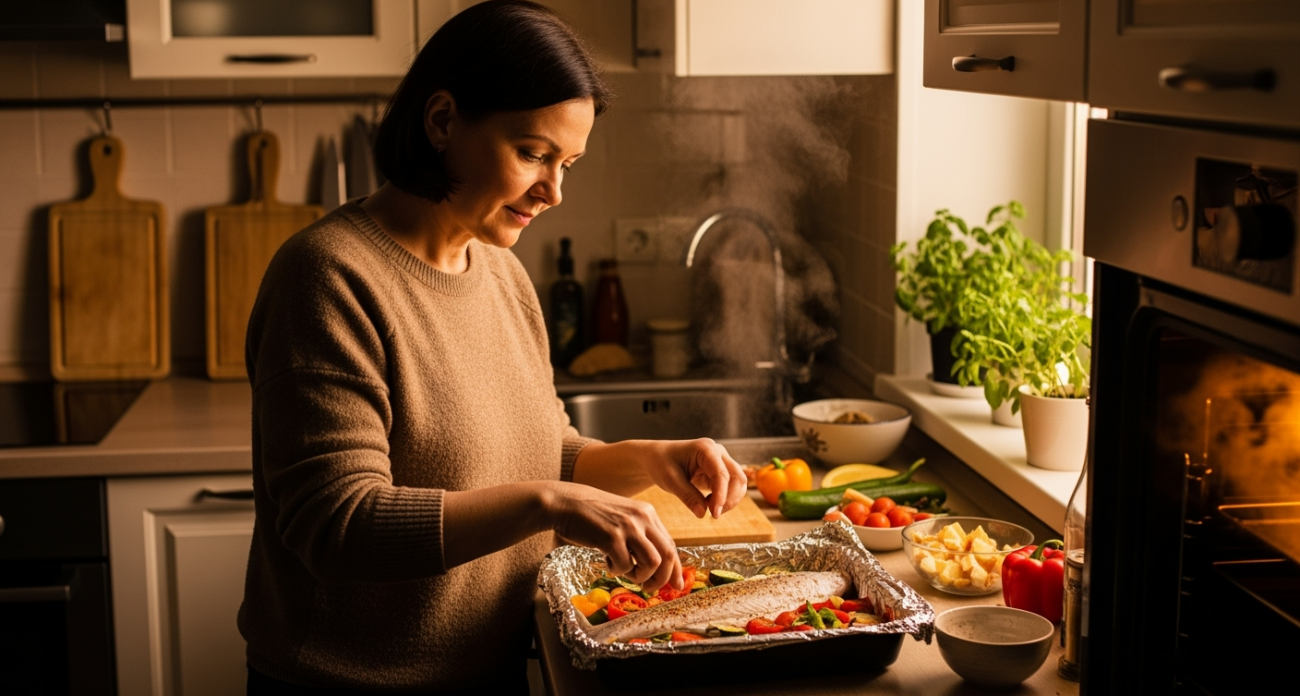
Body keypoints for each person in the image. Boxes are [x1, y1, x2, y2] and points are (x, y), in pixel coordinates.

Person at [238, 2, 747, 693]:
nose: (554, 190)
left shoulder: (500, 271)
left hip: (491, 666)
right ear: (443, 121)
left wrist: (655, 462)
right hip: (350, 682)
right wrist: (549, 503)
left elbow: (547, 451)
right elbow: (336, 524)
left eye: (566, 163)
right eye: (534, 154)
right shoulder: (328, 276)